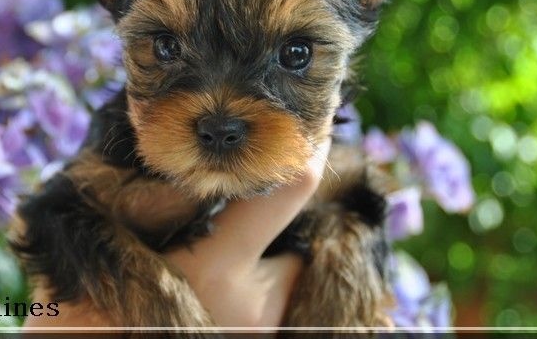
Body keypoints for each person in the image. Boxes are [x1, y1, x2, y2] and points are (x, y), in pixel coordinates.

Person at [24, 138, 331, 328]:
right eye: (168, 53)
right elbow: (55, 216)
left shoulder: (336, 177)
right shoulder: (114, 163)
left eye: (294, 57)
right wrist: (167, 309)